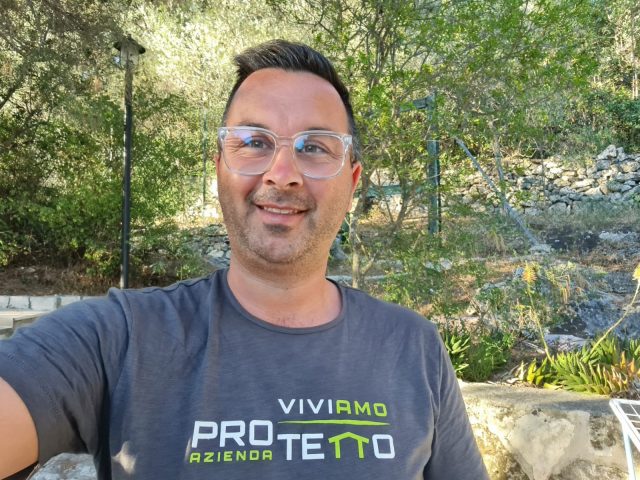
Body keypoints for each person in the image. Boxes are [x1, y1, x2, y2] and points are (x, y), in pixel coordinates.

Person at [0, 39, 488, 480]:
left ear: (352, 182)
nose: (282, 173)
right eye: (254, 142)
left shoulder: (414, 348)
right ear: (219, 168)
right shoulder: (116, 338)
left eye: (315, 147)